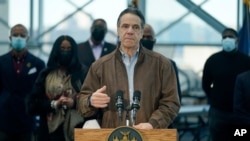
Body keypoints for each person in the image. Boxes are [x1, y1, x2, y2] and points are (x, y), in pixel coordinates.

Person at [77, 8, 180, 129]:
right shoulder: (99, 66)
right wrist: (90, 101)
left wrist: (153, 124)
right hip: (112, 135)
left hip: (149, 135)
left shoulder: (162, 64)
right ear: (118, 31)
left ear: (141, 32)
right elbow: (81, 103)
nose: (130, 31)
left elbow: (171, 102)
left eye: (135, 27)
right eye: (125, 26)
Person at [26, 35, 88, 141]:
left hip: (77, 129)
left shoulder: (82, 74)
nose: (65, 52)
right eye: (62, 48)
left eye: (69, 49)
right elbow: (32, 105)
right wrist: (54, 104)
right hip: (49, 131)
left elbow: (90, 100)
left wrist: (74, 103)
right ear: (56, 50)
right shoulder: (46, 74)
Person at [202, 27, 250, 141]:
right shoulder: (213, 60)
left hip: (241, 116)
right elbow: (205, 84)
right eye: (224, 37)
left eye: (230, 37)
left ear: (237, 40)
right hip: (219, 113)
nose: (227, 39)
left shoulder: (246, 61)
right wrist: (216, 99)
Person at [0, 24, 45, 141]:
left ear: (27, 39)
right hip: (5, 119)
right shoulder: (1, 62)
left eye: (22, 35)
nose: (18, 38)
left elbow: (40, 91)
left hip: (27, 118)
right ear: (10, 38)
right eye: (15, 35)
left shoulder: (38, 64)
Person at [141, 23, 182, 103]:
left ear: (154, 41)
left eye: (149, 37)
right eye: (142, 37)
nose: (145, 40)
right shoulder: (127, 65)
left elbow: (175, 97)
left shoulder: (167, 64)